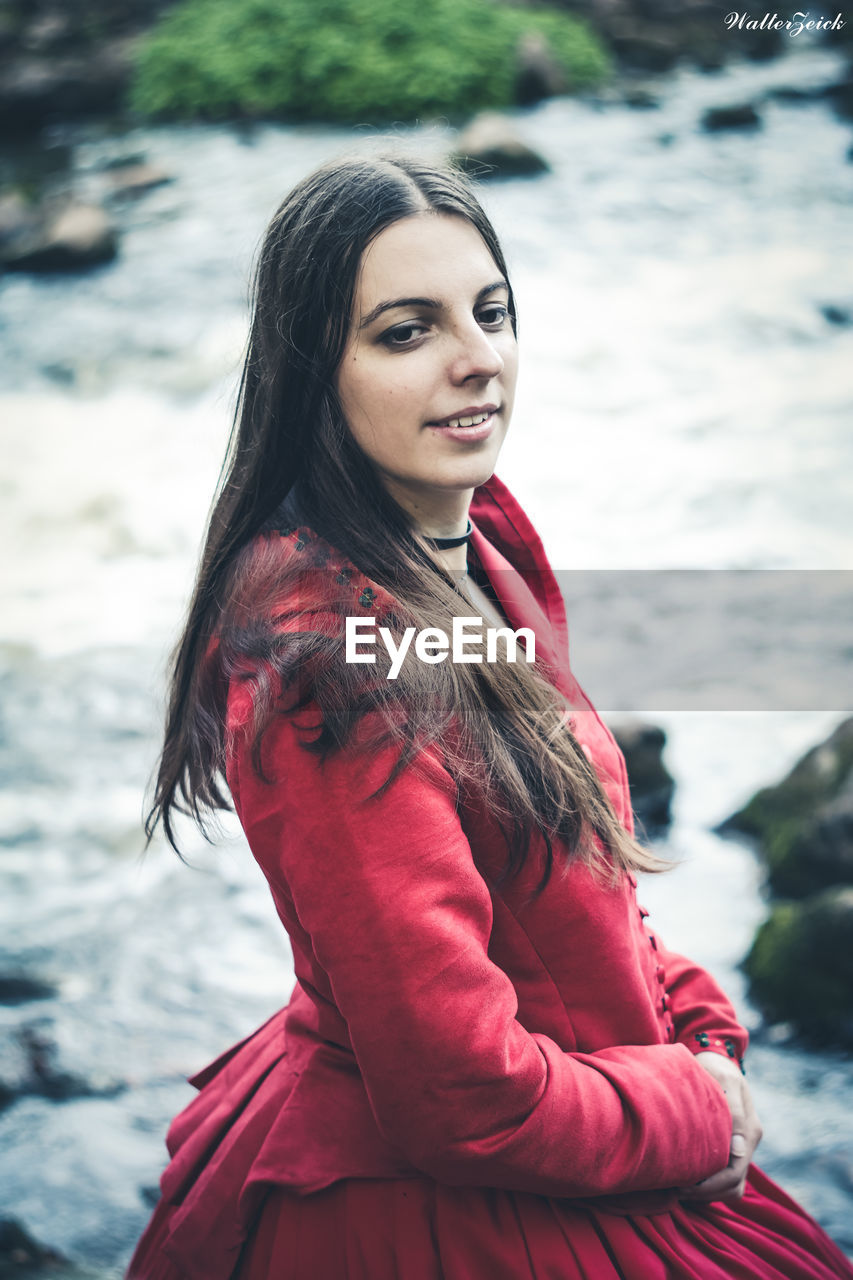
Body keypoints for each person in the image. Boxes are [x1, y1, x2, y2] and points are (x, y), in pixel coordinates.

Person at [126, 153, 853, 1280]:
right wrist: (692, 1109)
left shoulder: (477, 545)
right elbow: (457, 1090)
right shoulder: (335, 662)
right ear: (314, 369)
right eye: (406, 331)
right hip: (448, 1200)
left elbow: (569, 875)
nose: (478, 361)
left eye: (491, 311)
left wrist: (695, 1024)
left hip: (585, 1101)